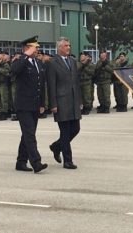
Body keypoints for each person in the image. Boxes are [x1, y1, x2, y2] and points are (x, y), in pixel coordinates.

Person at [11, 35, 47, 173]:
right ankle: (36, 162)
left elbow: (40, 85)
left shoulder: (38, 63)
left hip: (34, 105)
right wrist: (25, 55)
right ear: (27, 48)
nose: (37, 49)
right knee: (30, 135)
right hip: (23, 105)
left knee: (27, 135)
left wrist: (42, 103)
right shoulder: (20, 60)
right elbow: (14, 71)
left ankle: (21, 162)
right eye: (34, 47)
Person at [47, 37, 81, 170]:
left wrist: (79, 101)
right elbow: (51, 85)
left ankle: (56, 146)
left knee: (76, 129)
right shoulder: (52, 62)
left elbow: (76, 83)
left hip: (73, 101)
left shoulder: (72, 61)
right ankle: (68, 161)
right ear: (59, 47)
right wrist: (53, 104)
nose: (68, 47)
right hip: (61, 102)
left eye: (69, 45)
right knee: (65, 132)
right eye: (66, 45)